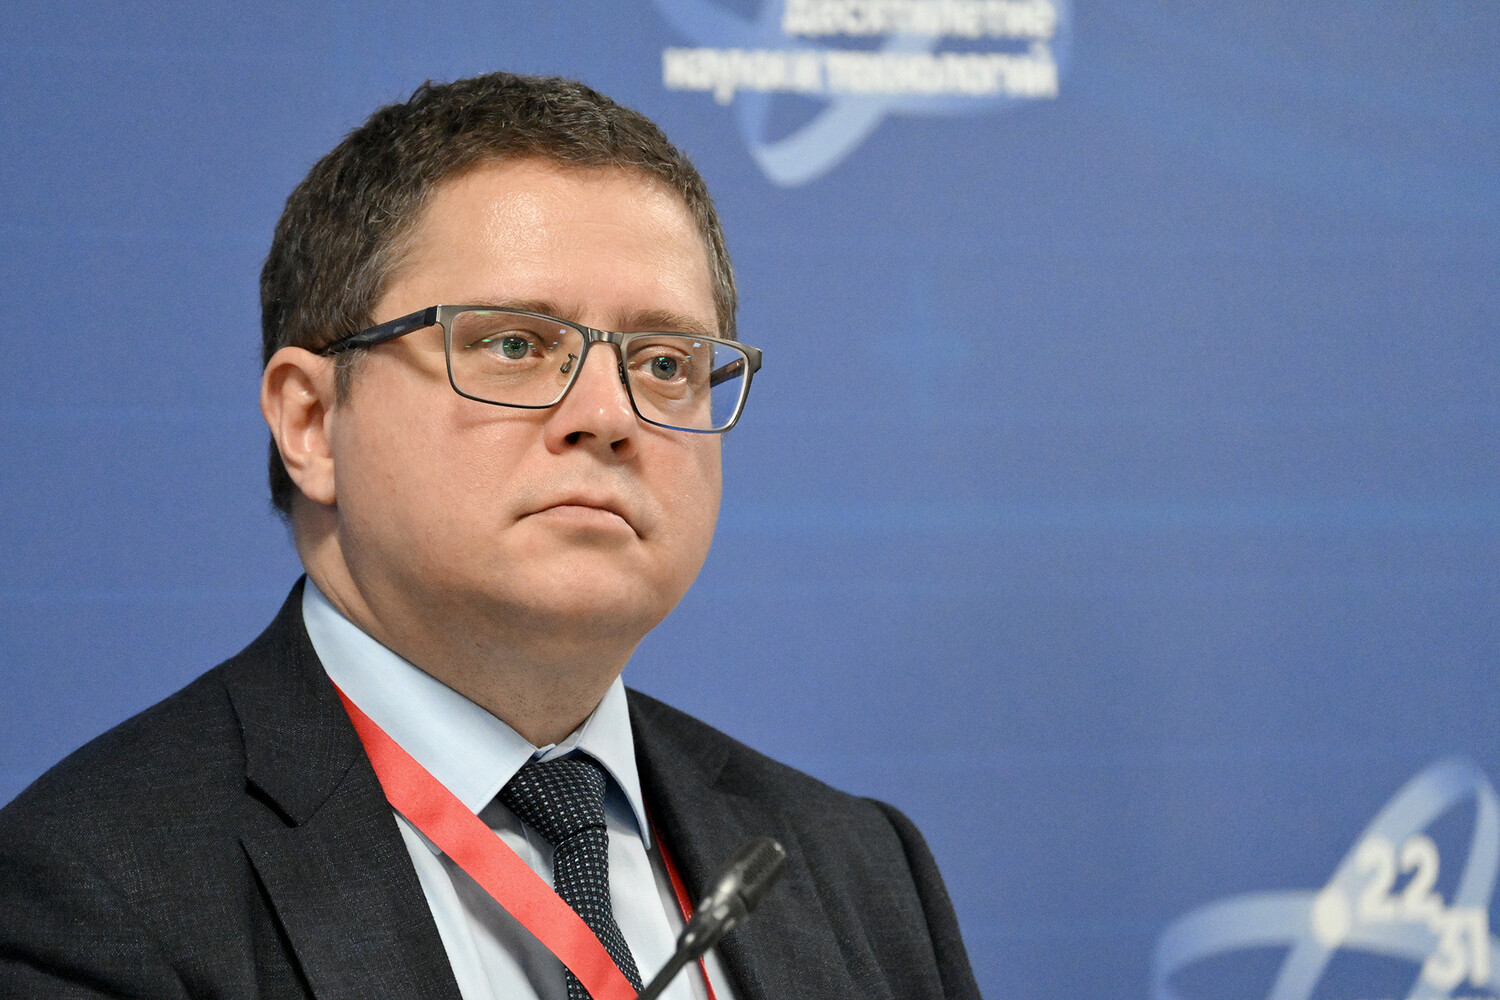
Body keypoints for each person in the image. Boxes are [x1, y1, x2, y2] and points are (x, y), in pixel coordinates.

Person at [0, 72, 980, 1000]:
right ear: (312, 422)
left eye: (664, 363)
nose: (610, 415)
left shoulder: (859, 869)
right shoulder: (88, 892)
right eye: (514, 344)